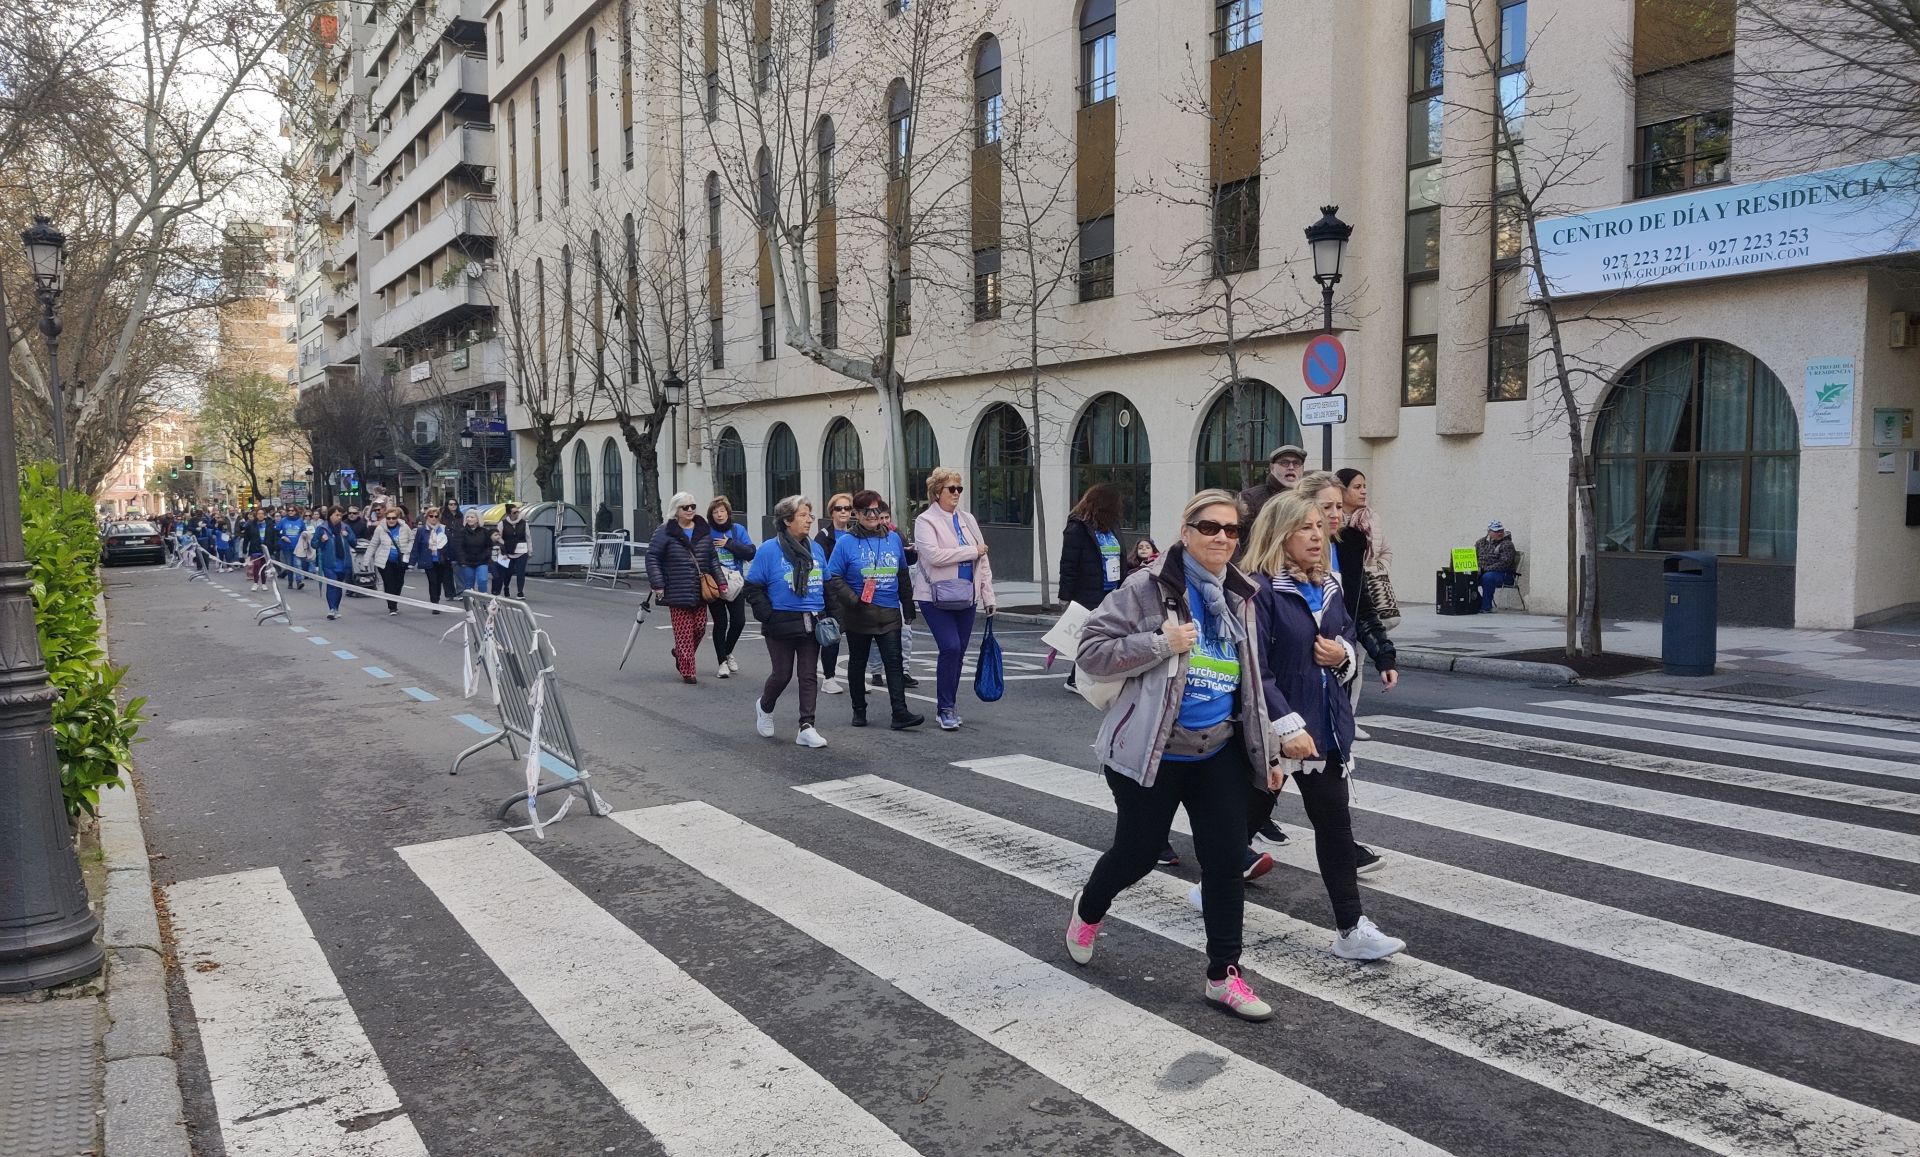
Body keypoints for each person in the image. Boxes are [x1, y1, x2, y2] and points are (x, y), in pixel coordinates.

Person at [1064, 489, 1284, 1022]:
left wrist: (1268, 751)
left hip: (1219, 751)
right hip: (1153, 753)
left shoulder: (1243, 596)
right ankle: (1088, 909)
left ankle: (1223, 976)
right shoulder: (1144, 589)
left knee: (1226, 863)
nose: (1222, 538)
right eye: (1210, 527)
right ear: (1185, 533)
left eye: (1232, 530)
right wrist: (1160, 643)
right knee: (1137, 854)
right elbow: (1089, 651)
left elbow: (1253, 682)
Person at [1241, 490, 1405, 961]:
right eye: (1305, 527)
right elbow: (1255, 668)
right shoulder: (1261, 590)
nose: (1317, 534)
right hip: (1276, 730)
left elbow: (1347, 636)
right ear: (1279, 535)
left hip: (1326, 726)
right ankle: (1216, 881)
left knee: (1333, 822)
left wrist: (1346, 656)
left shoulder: (1329, 585)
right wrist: (1286, 726)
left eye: (1319, 526)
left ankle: (1350, 928)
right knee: (1249, 815)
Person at [1295, 470, 1399, 873]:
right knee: (1263, 786)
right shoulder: (1284, 549)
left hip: (1333, 675)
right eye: (1327, 507)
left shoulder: (1352, 545)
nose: (1337, 515)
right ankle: (1227, 858)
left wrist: (1383, 656)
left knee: (1327, 778)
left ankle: (1345, 866)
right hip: (1289, 681)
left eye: (1340, 506)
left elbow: (1361, 609)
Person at [826, 489, 924, 731]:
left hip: (889, 611)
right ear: (856, 514)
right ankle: (859, 710)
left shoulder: (892, 539)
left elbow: (902, 573)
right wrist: (853, 599)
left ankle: (899, 712)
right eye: (865, 511)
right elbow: (833, 575)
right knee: (858, 662)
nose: (872, 515)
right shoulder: (846, 542)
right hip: (859, 612)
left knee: (894, 663)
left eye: (876, 509)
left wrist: (908, 605)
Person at [911, 468, 997, 731]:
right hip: (935, 597)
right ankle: (945, 707)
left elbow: (983, 560)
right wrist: (972, 550)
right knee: (949, 647)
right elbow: (935, 556)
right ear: (937, 492)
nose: (957, 493)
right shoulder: (925, 521)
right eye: (952, 489)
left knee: (958, 652)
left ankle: (949, 704)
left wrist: (988, 595)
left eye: (959, 488)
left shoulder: (968, 519)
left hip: (966, 596)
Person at [743, 494, 831, 748]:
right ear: (787, 520)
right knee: (782, 674)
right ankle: (765, 706)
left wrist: (834, 615)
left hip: (813, 619)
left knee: (808, 675)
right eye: (803, 516)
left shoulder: (816, 548)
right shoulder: (770, 550)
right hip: (781, 620)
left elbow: (827, 583)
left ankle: (807, 726)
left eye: (810, 515)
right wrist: (767, 614)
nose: (809, 521)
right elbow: (753, 587)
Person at [645, 491, 726, 684]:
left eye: (692, 506)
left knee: (698, 629)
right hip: (676, 589)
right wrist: (658, 584)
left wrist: (721, 581)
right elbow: (652, 557)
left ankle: (680, 654)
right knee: (683, 632)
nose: (690, 510)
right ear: (676, 510)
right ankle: (688, 670)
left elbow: (712, 558)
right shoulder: (664, 531)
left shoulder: (703, 530)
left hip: (700, 590)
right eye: (685, 507)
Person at [1057, 483, 1125, 691]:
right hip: (1087, 591)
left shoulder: (1112, 527)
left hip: (1111, 590)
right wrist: (1065, 595)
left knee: (1106, 635)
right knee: (1089, 636)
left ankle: (1083, 676)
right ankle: (1076, 678)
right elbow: (1068, 563)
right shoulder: (1078, 528)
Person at [707, 497, 756, 678]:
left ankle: (727, 653)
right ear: (711, 515)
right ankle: (722, 663)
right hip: (714, 584)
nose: (719, 515)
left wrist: (729, 544)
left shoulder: (737, 530)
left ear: (728, 513)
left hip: (735, 583)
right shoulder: (706, 531)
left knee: (739, 621)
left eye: (722, 511)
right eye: (715, 512)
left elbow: (751, 552)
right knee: (720, 623)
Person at [814, 493, 856, 695]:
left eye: (847, 508)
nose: (844, 512)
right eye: (839, 508)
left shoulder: (855, 533)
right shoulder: (823, 536)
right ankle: (828, 678)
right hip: (831, 593)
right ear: (831, 512)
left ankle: (857, 677)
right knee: (832, 635)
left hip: (853, 591)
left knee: (859, 637)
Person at [1235, 443, 1307, 527]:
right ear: (1272, 468)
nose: (1291, 467)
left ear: (1302, 469)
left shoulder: (1309, 497)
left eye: (1296, 463)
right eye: (1284, 463)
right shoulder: (1250, 499)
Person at [363, 505, 413, 614]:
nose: (391, 520)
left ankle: (395, 600)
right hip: (385, 561)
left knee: (399, 582)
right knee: (389, 582)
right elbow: (373, 545)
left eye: (393, 518)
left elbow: (411, 540)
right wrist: (366, 561)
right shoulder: (381, 528)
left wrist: (407, 551)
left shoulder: (404, 527)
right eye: (389, 518)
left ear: (398, 518)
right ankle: (392, 606)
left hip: (400, 560)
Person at [310, 507, 357, 620]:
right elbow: (314, 544)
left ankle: (336, 608)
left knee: (338, 586)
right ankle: (331, 609)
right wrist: (322, 540)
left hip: (343, 562)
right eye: (336, 515)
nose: (339, 517)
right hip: (329, 562)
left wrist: (347, 535)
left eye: (340, 515)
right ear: (330, 515)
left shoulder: (345, 527)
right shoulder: (322, 528)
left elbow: (354, 542)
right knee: (331, 584)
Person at [413, 506, 454, 612]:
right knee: (433, 581)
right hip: (428, 560)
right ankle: (434, 603)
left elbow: (450, 545)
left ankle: (437, 600)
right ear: (427, 517)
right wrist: (412, 561)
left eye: (436, 516)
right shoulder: (421, 530)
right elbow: (416, 546)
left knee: (438, 581)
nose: (434, 518)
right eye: (431, 516)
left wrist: (452, 557)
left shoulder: (444, 529)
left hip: (441, 560)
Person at [1476, 520, 1517, 612]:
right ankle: (1475, 603)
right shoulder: (1480, 542)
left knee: (1488, 577)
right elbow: (1473, 556)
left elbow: (1504, 563)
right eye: (1496, 531)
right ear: (1489, 532)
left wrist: (1485, 569)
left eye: (1501, 530)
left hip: (1505, 574)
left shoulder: (1507, 544)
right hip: (1482, 571)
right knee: (1465, 577)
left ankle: (1486, 607)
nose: (1500, 533)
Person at [453, 508, 493, 595]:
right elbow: (458, 547)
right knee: (469, 584)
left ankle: (483, 603)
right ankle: (470, 604)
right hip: (467, 562)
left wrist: (486, 556)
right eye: (468, 517)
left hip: (481, 561)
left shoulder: (485, 532)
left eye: (472, 517)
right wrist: (462, 560)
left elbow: (489, 546)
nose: (469, 519)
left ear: (478, 519)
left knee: (482, 580)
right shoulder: (462, 532)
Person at [495, 503, 530, 598]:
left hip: (522, 551)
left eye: (518, 511)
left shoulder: (524, 523)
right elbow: (497, 537)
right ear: (508, 514)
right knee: (508, 572)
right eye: (514, 512)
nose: (517, 514)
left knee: (520, 572)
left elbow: (528, 537)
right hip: (508, 552)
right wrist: (504, 544)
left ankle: (520, 592)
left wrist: (530, 550)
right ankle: (506, 586)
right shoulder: (502, 524)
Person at [276, 506, 307, 588]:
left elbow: (304, 531)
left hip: (297, 547)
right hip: (286, 547)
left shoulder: (300, 521)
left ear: (296, 511)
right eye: (289, 510)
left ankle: (299, 581)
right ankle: (290, 582)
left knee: (298, 564)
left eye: (292, 510)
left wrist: (304, 535)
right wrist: (282, 536)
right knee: (290, 565)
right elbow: (276, 531)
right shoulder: (283, 521)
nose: (290, 512)